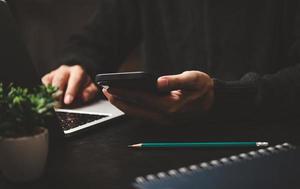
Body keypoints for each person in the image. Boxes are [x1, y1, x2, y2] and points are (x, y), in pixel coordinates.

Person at [42, 0, 300, 124]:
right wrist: (77, 65)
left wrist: (223, 97)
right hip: (161, 143)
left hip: (269, 143)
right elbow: (99, 37)